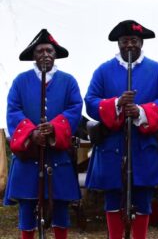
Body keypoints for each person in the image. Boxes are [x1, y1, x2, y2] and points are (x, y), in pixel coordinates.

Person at [84, 20, 158, 239]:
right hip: (111, 145)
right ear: (118, 44)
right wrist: (116, 104)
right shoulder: (103, 70)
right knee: (113, 198)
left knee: (143, 197)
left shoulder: (156, 70)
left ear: (141, 42)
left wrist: (140, 111)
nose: (129, 45)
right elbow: (91, 101)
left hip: (143, 145)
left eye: (134, 40)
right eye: (125, 41)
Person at [5, 29, 82, 239]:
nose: (45, 54)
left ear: (55, 54)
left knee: (60, 211)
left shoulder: (69, 81)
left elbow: (75, 108)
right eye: (40, 51)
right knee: (27, 211)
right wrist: (31, 133)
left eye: (49, 50)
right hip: (28, 155)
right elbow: (13, 110)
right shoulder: (20, 81)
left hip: (58, 156)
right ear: (34, 55)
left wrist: (54, 128)